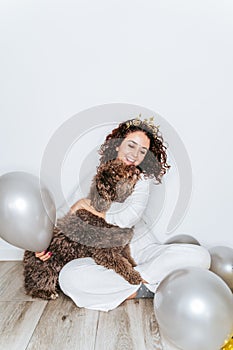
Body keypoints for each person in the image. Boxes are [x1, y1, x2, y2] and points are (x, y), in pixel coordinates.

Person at [37, 116, 211, 312]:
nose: (135, 155)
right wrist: (43, 245)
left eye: (142, 151)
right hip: (99, 258)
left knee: (201, 256)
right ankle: (149, 287)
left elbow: (127, 218)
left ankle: (133, 281)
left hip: (139, 253)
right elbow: (65, 214)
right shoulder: (95, 176)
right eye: (131, 145)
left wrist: (85, 206)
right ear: (118, 145)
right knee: (68, 278)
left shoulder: (142, 180)